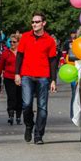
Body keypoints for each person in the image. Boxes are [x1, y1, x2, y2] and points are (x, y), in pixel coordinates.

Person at [15, 12, 57, 144]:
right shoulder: (25, 37)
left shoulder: (49, 40)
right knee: (26, 104)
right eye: (33, 22)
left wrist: (53, 80)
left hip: (43, 76)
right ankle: (29, 125)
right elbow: (20, 56)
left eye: (37, 22)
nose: (34, 24)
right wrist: (17, 73)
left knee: (42, 108)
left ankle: (38, 135)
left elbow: (53, 61)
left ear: (43, 23)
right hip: (27, 75)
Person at [0, 34, 22, 125]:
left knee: (19, 98)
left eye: (14, 42)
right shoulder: (6, 53)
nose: (12, 43)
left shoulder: (22, 53)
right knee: (11, 97)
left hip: (21, 78)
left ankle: (18, 116)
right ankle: (11, 115)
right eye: (10, 42)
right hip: (9, 78)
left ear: (19, 42)